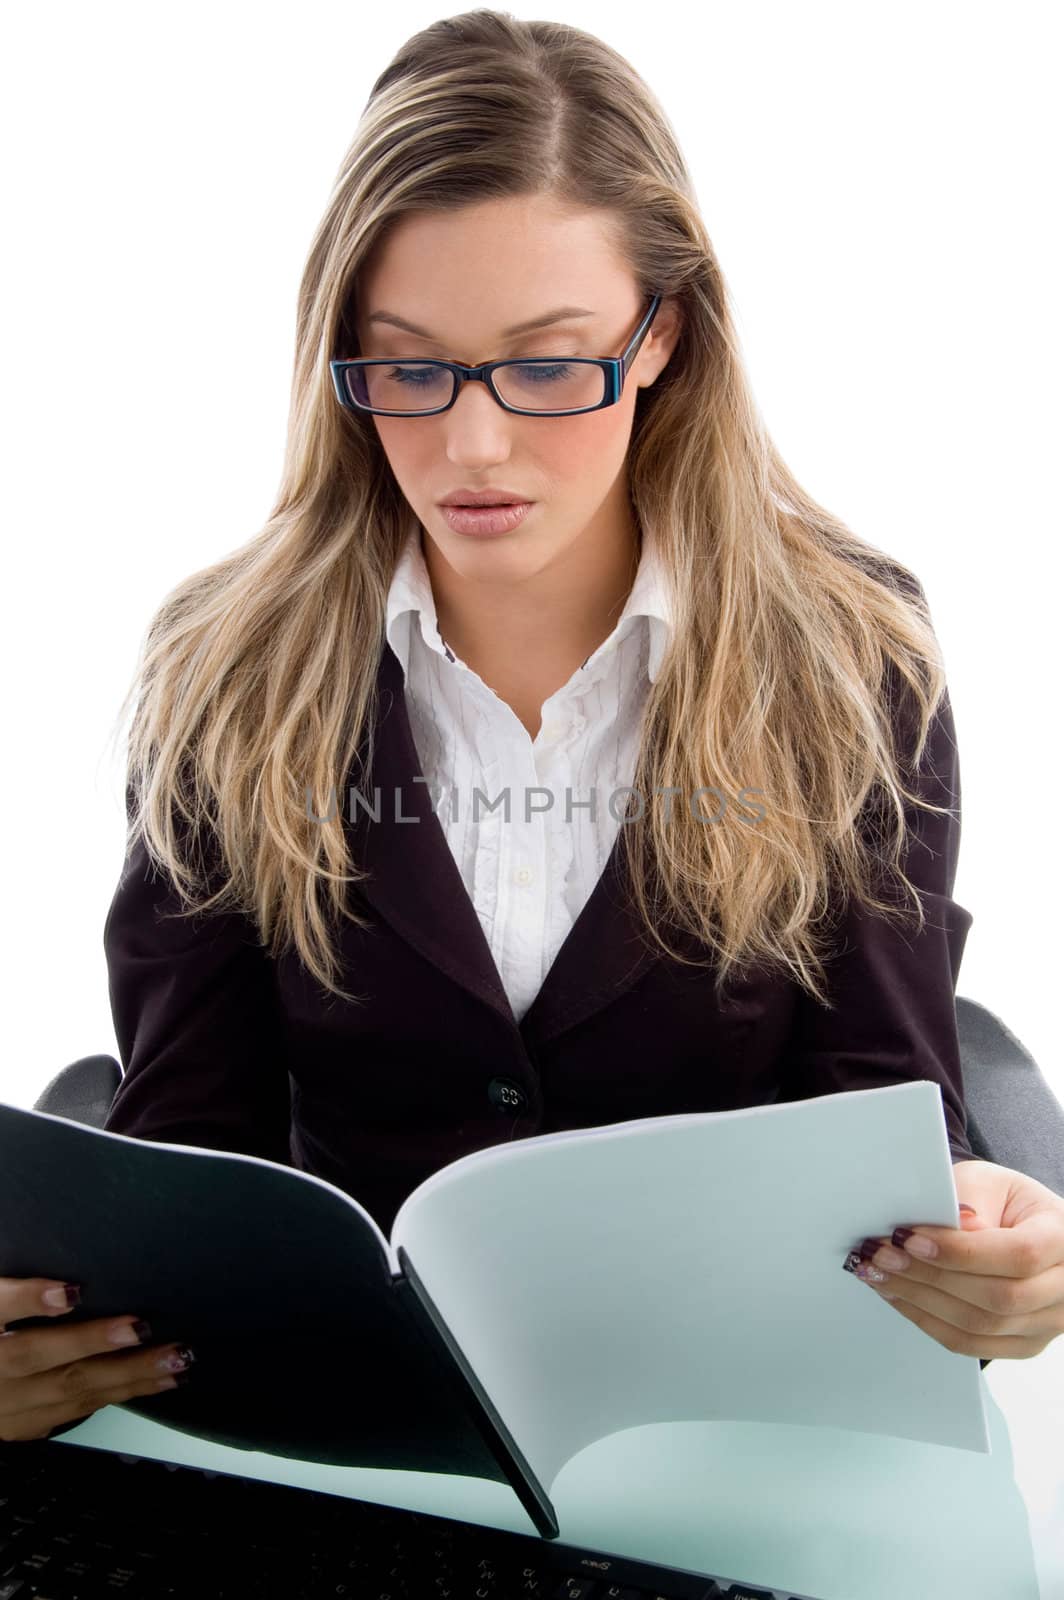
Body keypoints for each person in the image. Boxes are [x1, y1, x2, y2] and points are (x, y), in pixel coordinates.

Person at [4, 8, 1063, 1447]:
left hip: (735, 1408)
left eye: (549, 364)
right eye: (408, 367)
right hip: (355, 1412)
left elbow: (876, 1113)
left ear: (662, 339)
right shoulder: (228, 668)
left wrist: (990, 1254)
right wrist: (55, 1318)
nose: (473, 444)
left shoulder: (847, 656)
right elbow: (195, 1144)